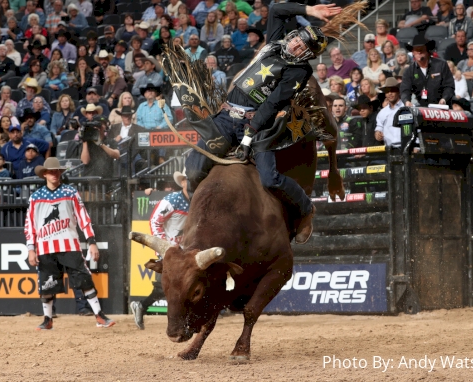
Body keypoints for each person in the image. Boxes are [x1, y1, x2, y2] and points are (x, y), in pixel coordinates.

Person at [184, 2, 344, 245]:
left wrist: (250, 134)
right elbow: (277, 8)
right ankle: (197, 221)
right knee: (194, 169)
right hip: (227, 118)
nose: (296, 44)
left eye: (303, 46)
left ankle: (305, 207)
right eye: (297, 39)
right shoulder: (275, 43)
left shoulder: (299, 71)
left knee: (270, 179)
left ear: (308, 54)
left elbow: (273, 103)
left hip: (260, 126)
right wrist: (311, 11)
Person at [26, 157, 115, 330]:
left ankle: (99, 315)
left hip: (70, 246)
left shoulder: (70, 192)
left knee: (84, 279)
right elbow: (30, 225)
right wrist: (31, 248)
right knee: (46, 285)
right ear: (44, 174)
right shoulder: (35, 197)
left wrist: (91, 241)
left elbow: (83, 218)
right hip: (45, 247)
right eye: (51, 171)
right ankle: (47, 319)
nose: (55, 174)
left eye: (57, 171)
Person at [130, 171, 190, 330]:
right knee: (168, 286)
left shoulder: (198, 201)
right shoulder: (172, 200)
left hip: (186, 251)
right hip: (170, 251)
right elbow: (155, 221)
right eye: (189, 181)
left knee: (176, 286)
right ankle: (141, 305)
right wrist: (164, 248)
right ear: (182, 182)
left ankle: (141, 306)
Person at [400, 35, 454, 107]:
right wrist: (407, 101)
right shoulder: (409, 71)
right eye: (416, 50)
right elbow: (405, 89)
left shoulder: (441, 65)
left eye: (421, 49)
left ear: (427, 50)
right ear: (412, 52)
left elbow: (449, 86)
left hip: (442, 106)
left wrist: (444, 99)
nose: (419, 52)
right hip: (422, 109)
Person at [375, 77, 405, 148]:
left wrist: (416, 147)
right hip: (389, 150)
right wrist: (377, 134)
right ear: (385, 94)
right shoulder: (382, 112)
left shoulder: (407, 108)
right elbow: (379, 128)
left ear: (398, 91)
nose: (390, 93)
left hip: (405, 147)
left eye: (393, 90)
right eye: (387, 91)